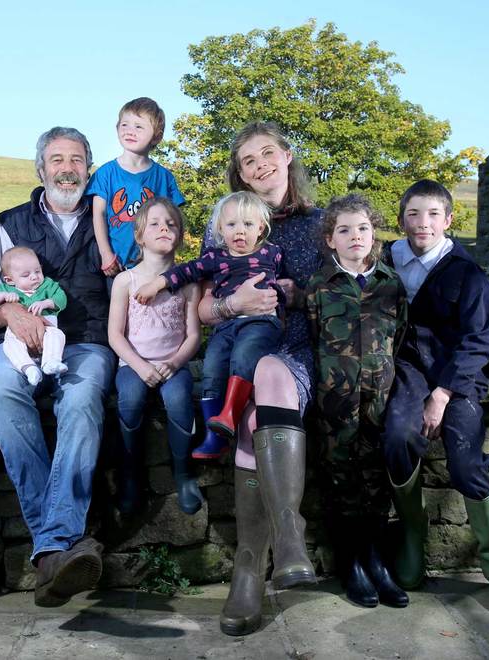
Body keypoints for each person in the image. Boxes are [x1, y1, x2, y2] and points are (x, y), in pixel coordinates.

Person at [0, 127, 116, 608]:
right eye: (56, 159)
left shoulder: (110, 219)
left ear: (89, 167)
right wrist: (12, 315)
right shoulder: (11, 222)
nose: (67, 168)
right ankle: (58, 548)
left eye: (77, 160)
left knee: (80, 399)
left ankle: (49, 548)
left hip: (87, 343)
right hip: (16, 341)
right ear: (40, 169)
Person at [382, 179, 489, 614]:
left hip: (457, 376)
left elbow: (481, 338)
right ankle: (412, 539)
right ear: (401, 218)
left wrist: (443, 394)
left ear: (448, 219)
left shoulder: (467, 271)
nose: (422, 223)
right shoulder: (388, 258)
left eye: (432, 214)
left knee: (465, 460)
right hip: (408, 371)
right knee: (397, 438)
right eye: (413, 213)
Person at [203, 121, 323, 637]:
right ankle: (274, 550)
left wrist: (299, 296)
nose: (260, 165)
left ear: (288, 156)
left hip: (295, 351)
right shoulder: (232, 219)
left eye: (267, 154)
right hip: (240, 354)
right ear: (240, 173)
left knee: (270, 375)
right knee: (252, 400)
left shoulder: (321, 224)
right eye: (248, 160)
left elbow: (349, 293)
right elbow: (204, 307)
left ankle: (252, 567)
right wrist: (235, 303)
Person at [305, 194, 409, 608]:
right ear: (330, 239)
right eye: (344, 230)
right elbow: (313, 340)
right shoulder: (319, 287)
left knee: (376, 483)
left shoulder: (391, 285)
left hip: (377, 404)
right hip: (335, 407)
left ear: (374, 236)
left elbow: (398, 339)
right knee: (339, 482)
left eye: (363, 228)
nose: (355, 236)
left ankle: (376, 561)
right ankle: (350, 565)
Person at [135, 191, 284, 459]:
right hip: (226, 324)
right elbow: (184, 271)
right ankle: (215, 437)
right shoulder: (215, 258)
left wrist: (283, 295)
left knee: (243, 354)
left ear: (261, 227)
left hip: (261, 321)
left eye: (248, 225)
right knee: (213, 363)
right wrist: (156, 284)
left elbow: (287, 284)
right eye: (231, 225)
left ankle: (229, 414)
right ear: (219, 229)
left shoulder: (272, 252)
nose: (240, 232)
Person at [108, 197, 203, 515]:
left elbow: (193, 336)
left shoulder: (187, 284)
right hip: (133, 364)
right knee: (130, 399)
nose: (164, 228)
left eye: (171, 224)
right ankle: (131, 476)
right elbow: (115, 335)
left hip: (173, 364)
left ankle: (183, 473)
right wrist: (139, 366)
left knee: (179, 400)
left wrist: (174, 363)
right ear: (139, 235)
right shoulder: (126, 281)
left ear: (179, 234)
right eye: (155, 224)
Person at [86, 97, 185, 279]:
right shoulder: (105, 173)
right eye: (125, 125)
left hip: (155, 266)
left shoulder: (164, 177)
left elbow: (174, 222)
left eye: (139, 127)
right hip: (116, 265)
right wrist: (106, 254)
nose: (130, 131)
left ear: (156, 135)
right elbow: (98, 214)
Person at [0, 246, 68, 386]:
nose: (34, 276)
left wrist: (47, 303)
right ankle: (28, 367)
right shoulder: (7, 289)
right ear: (10, 280)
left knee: (57, 335)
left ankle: (51, 361)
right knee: (10, 345)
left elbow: (61, 298)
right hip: (18, 333)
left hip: (46, 327)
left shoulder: (47, 285)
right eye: (26, 275)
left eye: (37, 271)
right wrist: (3, 296)